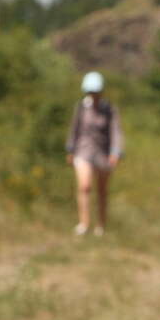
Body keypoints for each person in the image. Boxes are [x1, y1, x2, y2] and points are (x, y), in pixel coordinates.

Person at [65, 72, 123, 237]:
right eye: (91, 92)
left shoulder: (109, 109)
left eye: (96, 92)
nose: (93, 95)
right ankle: (84, 223)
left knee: (102, 190)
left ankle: (101, 224)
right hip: (83, 151)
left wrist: (115, 153)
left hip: (103, 153)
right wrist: (70, 149)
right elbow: (74, 129)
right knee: (85, 186)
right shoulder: (81, 107)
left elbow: (116, 132)